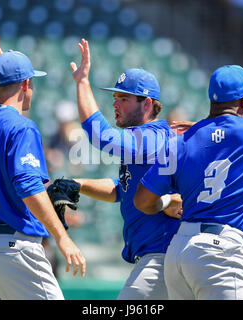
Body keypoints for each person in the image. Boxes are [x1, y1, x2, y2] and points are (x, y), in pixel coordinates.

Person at [134, 65, 243, 300]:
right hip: (220, 253)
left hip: (179, 251)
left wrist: (166, 203)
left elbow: (142, 201)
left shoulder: (180, 142)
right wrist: (208, 131)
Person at [67, 38, 190, 299]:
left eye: (123, 98)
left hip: (163, 256)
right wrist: (79, 184)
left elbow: (101, 136)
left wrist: (82, 83)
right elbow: (122, 189)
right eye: (115, 97)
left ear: (147, 103)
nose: (115, 104)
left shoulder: (153, 137)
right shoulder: (148, 140)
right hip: (161, 256)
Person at [0, 35, 86, 300]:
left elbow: (6, 121)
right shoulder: (22, 127)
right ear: (26, 84)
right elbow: (30, 189)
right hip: (14, 250)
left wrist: (3, 67)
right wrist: (62, 238)